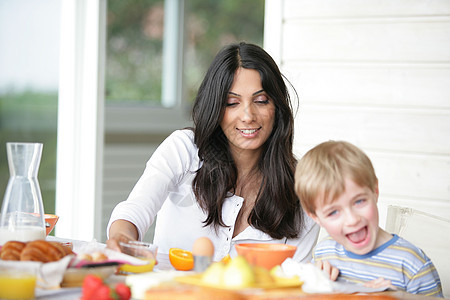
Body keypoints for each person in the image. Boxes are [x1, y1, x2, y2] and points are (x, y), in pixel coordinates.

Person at [106, 42, 320, 263]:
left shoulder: (301, 187)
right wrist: (122, 237)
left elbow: (298, 280)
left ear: (277, 107)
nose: (248, 115)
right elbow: (135, 210)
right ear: (216, 107)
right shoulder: (184, 149)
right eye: (232, 103)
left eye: (261, 100)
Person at [294, 140, 443, 297]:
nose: (352, 220)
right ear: (316, 217)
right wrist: (317, 286)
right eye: (333, 212)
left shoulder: (413, 265)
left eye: (359, 201)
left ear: (375, 191)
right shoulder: (324, 254)